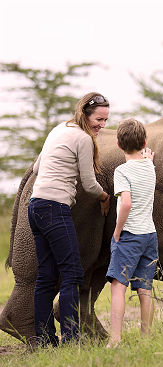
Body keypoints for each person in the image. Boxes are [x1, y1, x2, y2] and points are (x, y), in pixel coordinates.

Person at [28, 92, 111, 346]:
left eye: (106, 120)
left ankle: (44, 340)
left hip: (36, 206)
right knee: (73, 273)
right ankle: (72, 338)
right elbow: (88, 183)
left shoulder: (59, 129)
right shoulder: (83, 138)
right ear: (85, 114)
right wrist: (105, 196)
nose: (102, 125)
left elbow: (36, 168)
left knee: (46, 276)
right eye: (99, 119)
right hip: (55, 208)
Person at [106, 119, 157, 348]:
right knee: (145, 288)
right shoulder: (150, 166)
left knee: (118, 286)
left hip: (130, 235)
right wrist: (148, 159)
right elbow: (146, 163)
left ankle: (115, 339)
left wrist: (117, 231)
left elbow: (125, 204)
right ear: (145, 142)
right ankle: (146, 338)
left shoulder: (121, 171)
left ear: (118, 144)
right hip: (150, 235)